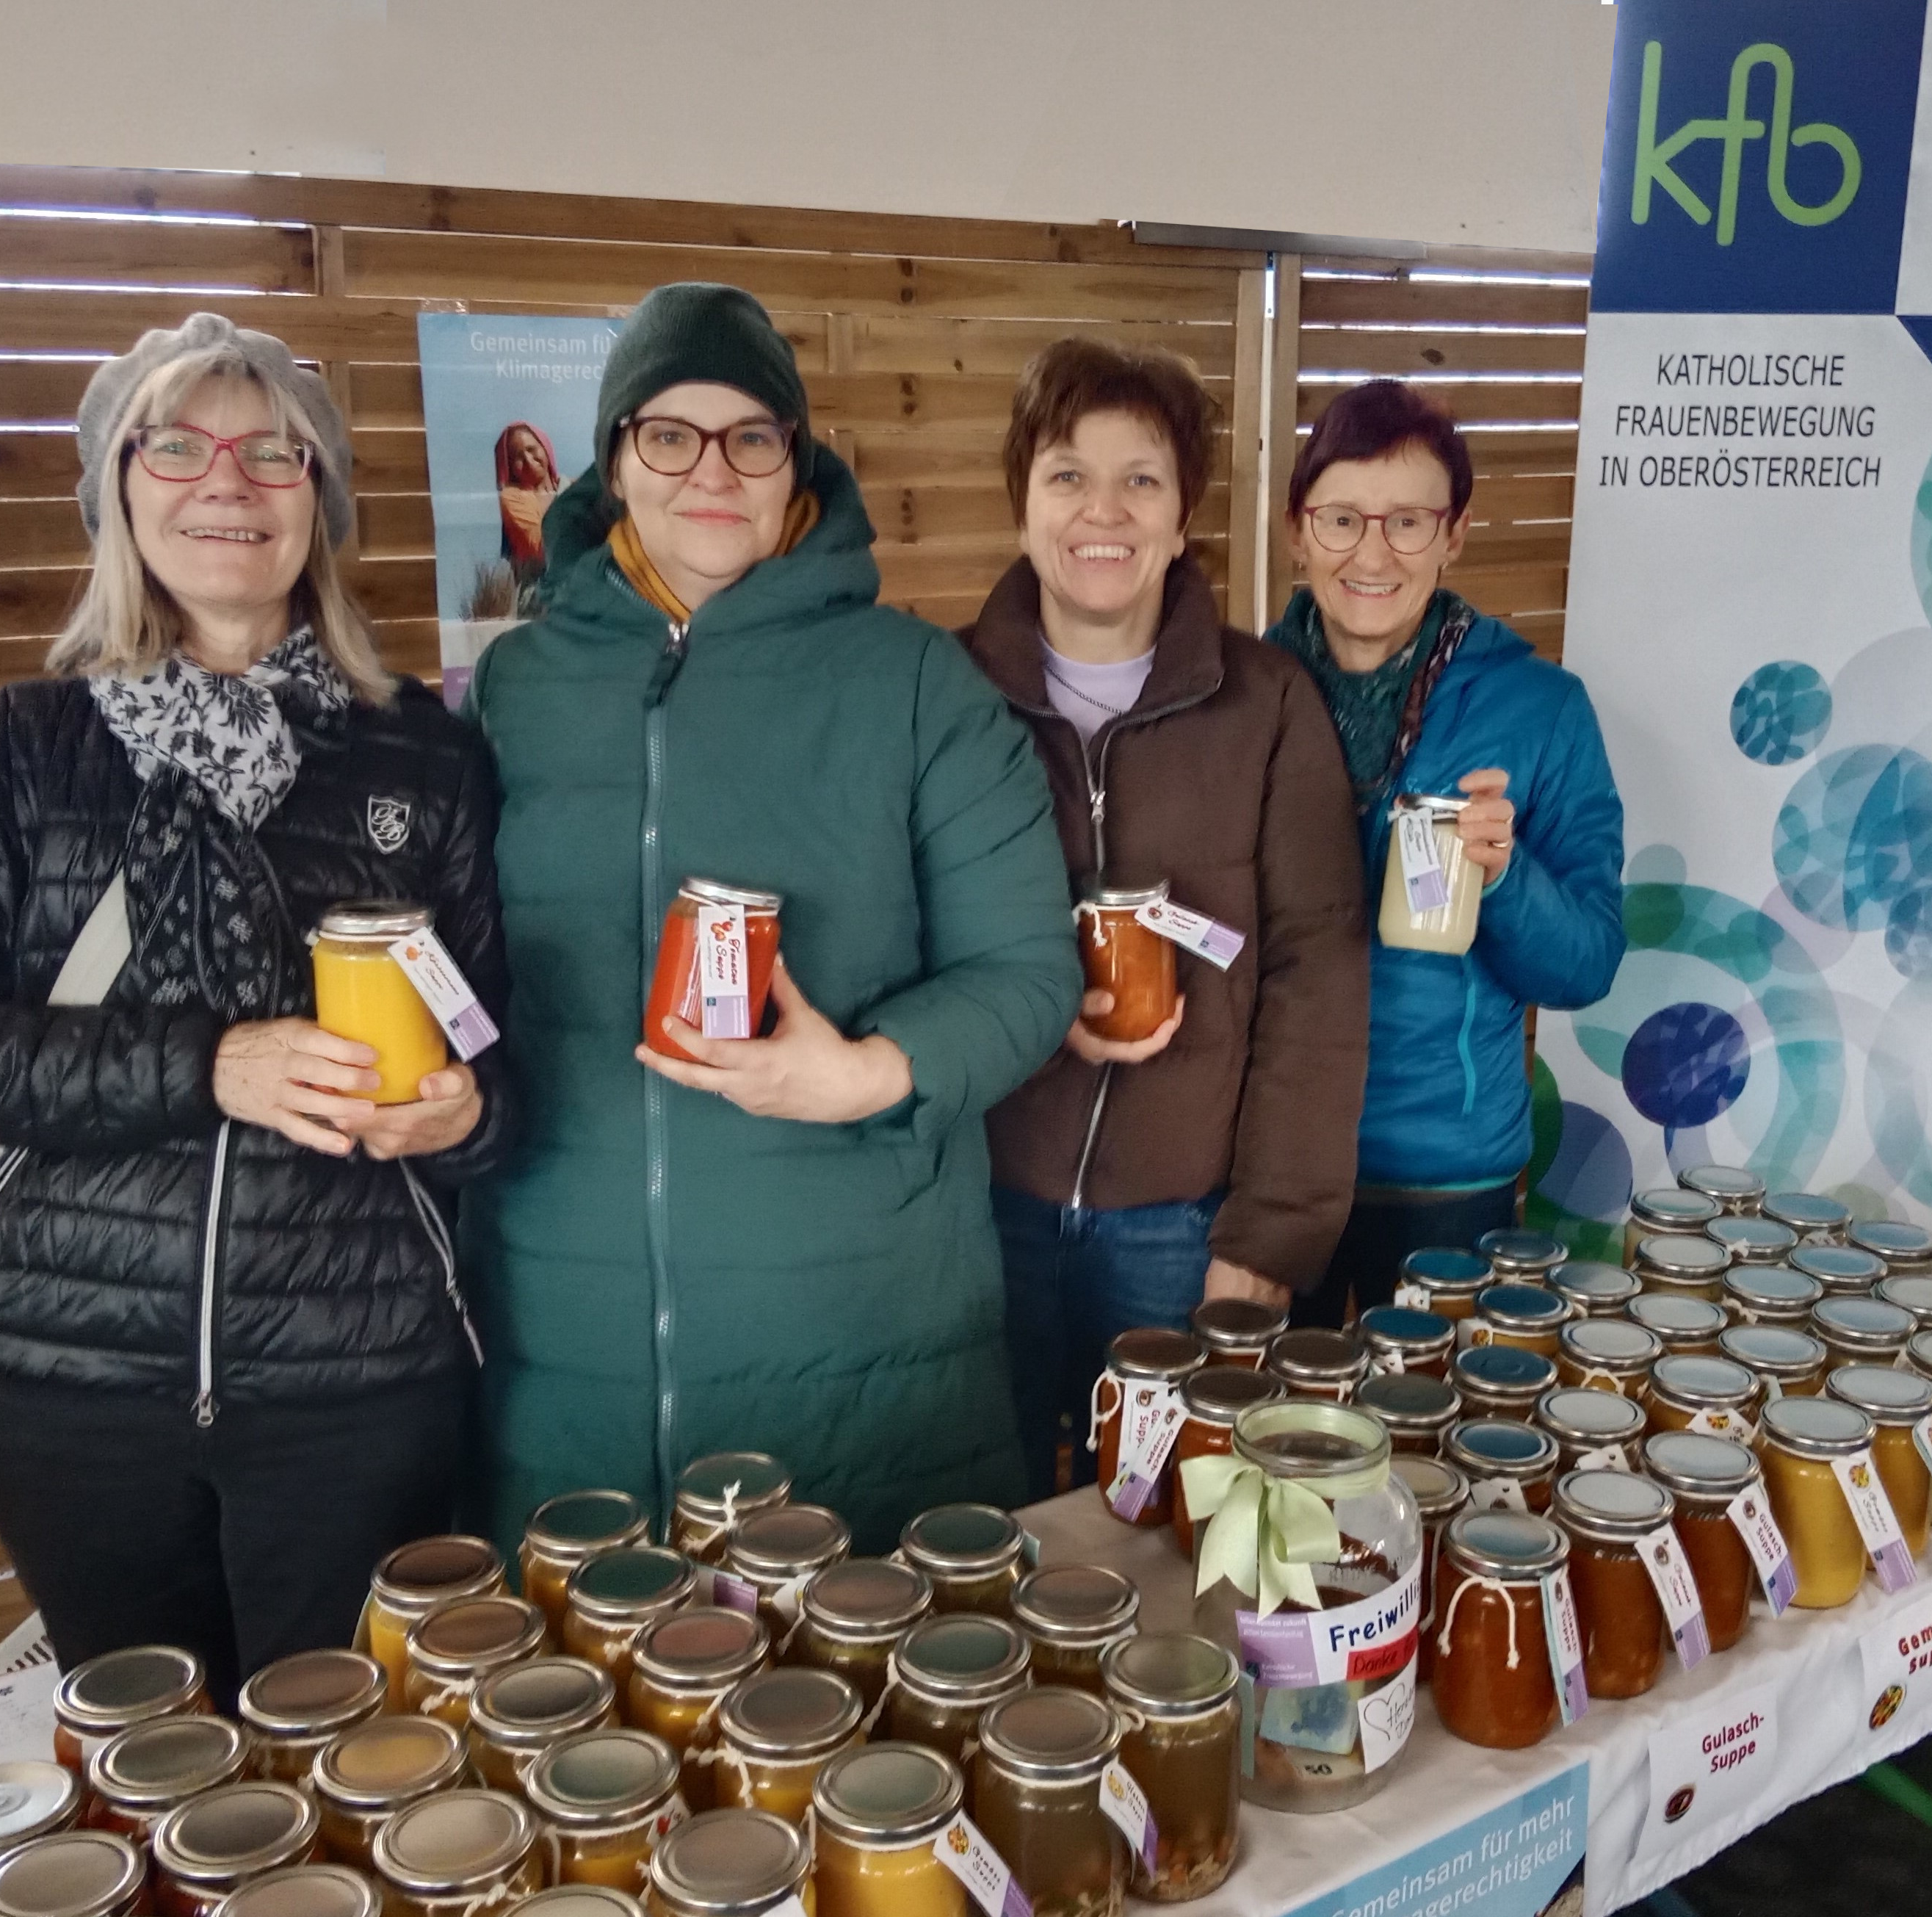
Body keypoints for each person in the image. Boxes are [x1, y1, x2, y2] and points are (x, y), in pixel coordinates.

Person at [0, 314, 510, 1703]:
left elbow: (494, 1038)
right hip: (68, 1383)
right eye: (180, 446)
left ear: (317, 502)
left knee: (346, 1756)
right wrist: (208, 1062)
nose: (230, 481)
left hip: (357, 1375)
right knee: (148, 1772)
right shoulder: (26, 747)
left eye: (275, 452)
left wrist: (466, 1103)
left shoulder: (424, 755)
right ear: (118, 492)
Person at [463, 283, 1081, 1550]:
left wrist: (871, 1071)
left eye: (752, 434)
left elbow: (1024, 968)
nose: (712, 469)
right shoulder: (511, 690)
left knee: (865, 1716)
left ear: (795, 462)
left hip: (863, 1346)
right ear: (614, 460)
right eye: (668, 434)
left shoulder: (911, 683)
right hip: (562, 1354)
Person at [964, 337, 1367, 1498]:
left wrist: (1272, 1233)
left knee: (1164, 1528)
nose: (1105, 510)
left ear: (1185, 514)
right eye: (1067, 475)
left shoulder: (1268, 704)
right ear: (1024, 502)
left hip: (1183, 1227)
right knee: (980, 1526)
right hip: (981, 1208)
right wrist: (1043, 1016)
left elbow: (1316, 975)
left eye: (1141, 478)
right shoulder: (946, 694)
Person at [1267, 380, 1625, 1320]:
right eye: (1341, 518)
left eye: (1409, 521)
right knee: (1269, 1443)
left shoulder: (1542, 709)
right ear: (1297, 529)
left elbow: (1588, 959)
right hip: (1267, 1163)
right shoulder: (1240, 698)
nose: (1372, 553)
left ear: (1455, 532)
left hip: (1445, 1172)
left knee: (1429, 1454)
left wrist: (1504, 878)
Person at [494, 419, 560, 579]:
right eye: (518, 457)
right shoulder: (513, 499)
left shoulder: (574, 488)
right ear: (510, 467)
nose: (529, 461)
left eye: (532, 449)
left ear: (545, 448)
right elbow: (540, 547)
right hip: (542, 593)